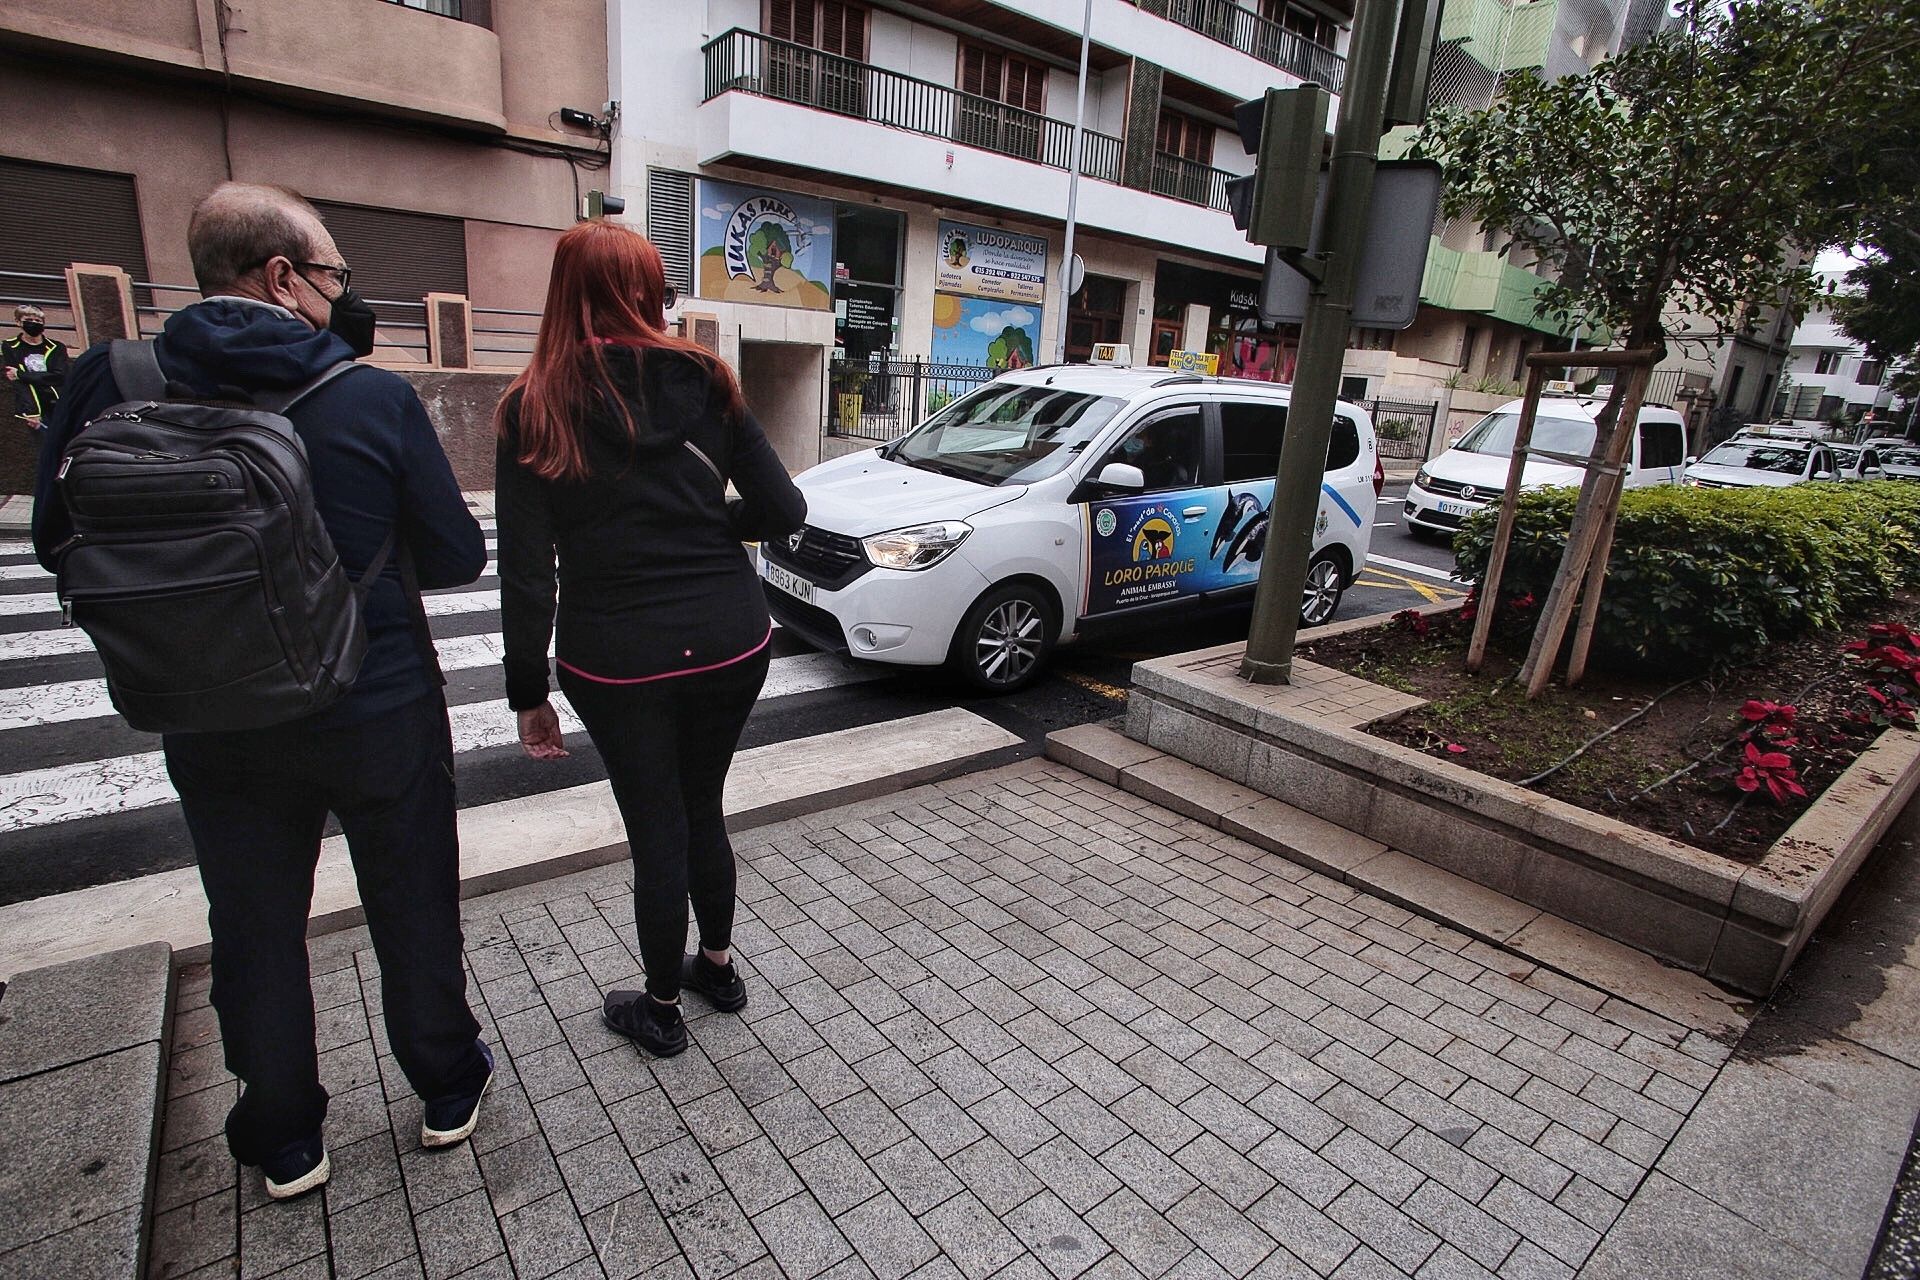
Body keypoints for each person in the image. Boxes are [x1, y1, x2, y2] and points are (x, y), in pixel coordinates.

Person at [32, 183, 493, 1200]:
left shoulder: (106, 382)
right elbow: (459, 555)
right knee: (412, 899)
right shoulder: (369, 397)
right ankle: (447, 1084)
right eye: (334, 274)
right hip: (372, 702)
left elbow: (54, 541)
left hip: (210, 713)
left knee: (251, 918)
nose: (342, 294)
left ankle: (284, 1133)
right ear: (282, 276)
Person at [497, 221, 805, 1058]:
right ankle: (719, 967)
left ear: (564, 294)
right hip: (731, 638)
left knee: (656, 825)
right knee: (702, 804)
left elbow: (528, 574)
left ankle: (661, 1009)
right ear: (649, 292)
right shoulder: (709, 381)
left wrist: (528, 692)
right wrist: (714, 525)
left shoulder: (535, 405)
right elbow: (785, 512)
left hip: (616, 656)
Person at [3, 303, 69, 427]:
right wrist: (31, 412)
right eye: (28, 320)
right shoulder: (10, 346)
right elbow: (18, 383)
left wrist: (20, 374)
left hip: (59, 403)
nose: (33, 323)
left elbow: (59, 376)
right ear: (18, 322)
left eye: (37, 320)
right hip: (34, 409)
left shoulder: (56, 347)